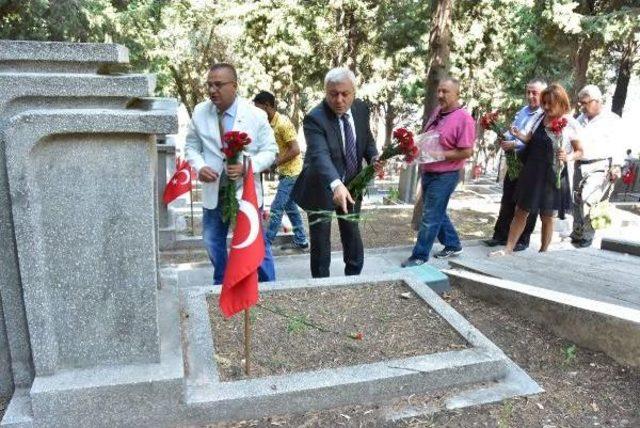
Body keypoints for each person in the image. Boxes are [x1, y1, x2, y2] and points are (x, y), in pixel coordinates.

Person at [185, 63, 278, 284]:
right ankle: (224, 283)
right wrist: (199, 166)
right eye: (209, 85)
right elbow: (191, 147)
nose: (212, 90)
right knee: (212, 241)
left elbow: (271, 151)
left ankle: (269, 285)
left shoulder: (255, 115)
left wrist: (249, 166)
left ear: (234, 86)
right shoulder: (200, 112)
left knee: (254, 241)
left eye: (218, 85)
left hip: (244, 192)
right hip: (214, 191)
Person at [291, 67, 379, 278]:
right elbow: (319, 155)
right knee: (320, 238)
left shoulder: (361, 109)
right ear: (325, 92)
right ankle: (321, 283)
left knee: (351, 230)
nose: (339, 100)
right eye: (333, 94)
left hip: (352, 183)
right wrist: (336, 184)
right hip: (320, 184)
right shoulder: (314, 118)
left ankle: (354, 276)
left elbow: (366, 139)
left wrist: (374, 156)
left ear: (354, 92)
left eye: (345, 94)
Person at [491, 83, 583, 256]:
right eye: (544, 103)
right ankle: (508, 249)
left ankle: (543, 252)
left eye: (550, 104)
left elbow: (580, 151)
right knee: (521, 210)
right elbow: (529, 139)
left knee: (547, 216)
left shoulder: (569, 123)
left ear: (561, 103)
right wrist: (518, 135)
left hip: (553, 174)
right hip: (532, 171)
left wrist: (568, 157)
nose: (546, 107)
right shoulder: (539, 117)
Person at [401, 78, 475, 267]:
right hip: (428, 171)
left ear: (457, 94)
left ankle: (419, 256)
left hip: (446, 174)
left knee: (430, 216)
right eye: (439, 91)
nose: (440, 95)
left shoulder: (464, 118)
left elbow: (467, 151)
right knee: (435, 210)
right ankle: (452, 244)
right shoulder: (438, 112)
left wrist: (438, 154)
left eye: (445, 92)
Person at [483, 79, 546, 251]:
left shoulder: (544, 115)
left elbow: (536, 141)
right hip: (514, 160)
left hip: (531, 163)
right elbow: (514, 132)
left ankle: (522, 239)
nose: (531, 96)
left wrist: (515, 144)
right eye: (528, 92)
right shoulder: (523, 112)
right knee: (508, 197)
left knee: (527, 203)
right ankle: (500, 235)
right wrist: (503, 137)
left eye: (535, 93)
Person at [252, 90, 309, 251]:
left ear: (268, 106)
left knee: (277, 208)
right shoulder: (268, 124)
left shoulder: (283, 123)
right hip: (285, 171)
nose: (256, 113)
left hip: (293, 172)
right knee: (290, 207)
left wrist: (275, 163)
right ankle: (301, 240)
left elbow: (295, 149)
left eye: (259, 109)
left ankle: (265, 245)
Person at [571, 85, 623, 248]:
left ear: (597, 101)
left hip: (600, 165)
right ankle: (578, 233)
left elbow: (619, 144)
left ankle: (587, 236)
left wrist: (617, 165)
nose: (582, 106)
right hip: (580, 165)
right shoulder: (580, 119)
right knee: (577, 200)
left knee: (588, 198)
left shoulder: (612, 119)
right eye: (580, 103)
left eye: (585, 103)